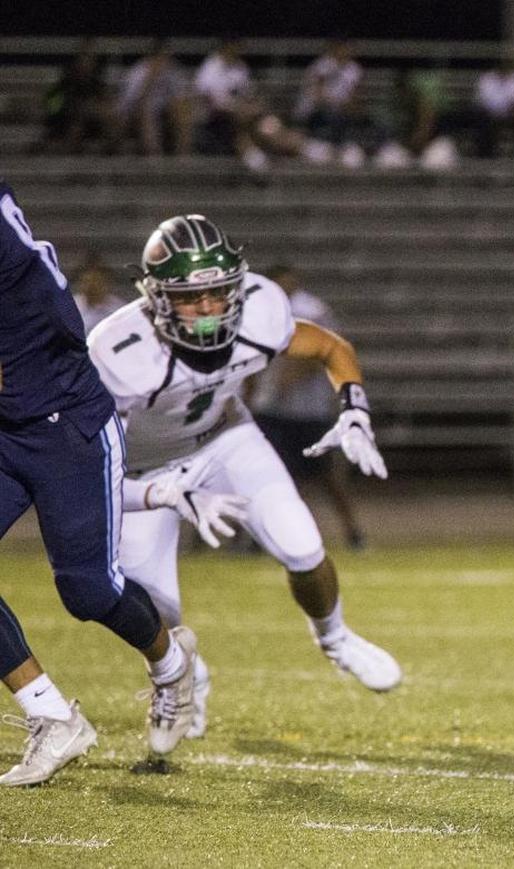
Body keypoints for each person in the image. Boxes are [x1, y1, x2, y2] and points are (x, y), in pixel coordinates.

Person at [86, 215, 401, 740]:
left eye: (218, 292)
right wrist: (161, 493)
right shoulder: (115, 356)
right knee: (152, 609)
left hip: (225, 440)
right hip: (140, 468)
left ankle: (336, 637)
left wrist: (354, 409)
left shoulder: (259, 309)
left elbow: (330, 348)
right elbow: (85, 470)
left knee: (302, 546)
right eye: (192, 298)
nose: (209, 309)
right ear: (156, 298)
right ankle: (183, 677)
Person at [0, 182, 214, 786]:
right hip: (9, 425)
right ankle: (50, 717)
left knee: (89, 592)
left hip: (68, 425)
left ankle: (171, 665)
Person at [249, 265, 366, 548]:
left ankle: (352, 531)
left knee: (325, 476)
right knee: (266, 473)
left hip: (307, 409)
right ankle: (257, 538)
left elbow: (325, 352)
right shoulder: (257, 309)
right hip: (271, 407)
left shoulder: (310, 309)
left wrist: (290, 378)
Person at [193, 40, 332, 173]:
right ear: (227, 46)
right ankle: (259, 163)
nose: (238, 50)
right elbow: (210, 102)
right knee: (241, 123)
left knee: (270, 125)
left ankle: (306, 148)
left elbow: (249, 94)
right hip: (216, 119)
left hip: (244, 117)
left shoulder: (240, 67)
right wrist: (238, 108)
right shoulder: (210, 67)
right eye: (235, 46)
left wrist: (253, 106)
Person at [292, 40, 379, 168]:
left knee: (364, 120)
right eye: (343, 47)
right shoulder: (322, 65)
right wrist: (340, 104)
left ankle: (358, 149)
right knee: (333, 117)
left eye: (349, 48)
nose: (347, 51)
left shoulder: (353, 68)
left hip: (340, 112)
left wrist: (350, 107)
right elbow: (318, 97)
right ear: (335, 48)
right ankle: (333, 148)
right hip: (313, 112)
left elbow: (355, 98)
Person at [116, 39, 194, 156]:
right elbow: (133, 103)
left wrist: (179, 105)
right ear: (153, 57)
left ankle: (183, 158)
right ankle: (154, 160)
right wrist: (150, 79)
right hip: (135, 111)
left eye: (167, 57)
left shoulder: (171, 71)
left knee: (182, 111)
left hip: (162, 110)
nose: (166, 61)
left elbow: (180, 97)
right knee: (146, 114)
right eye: (163, 57)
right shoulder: (138, 72)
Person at [40, 40, 119, 155]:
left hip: (92, 122)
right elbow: (53, 106)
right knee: (78, 122)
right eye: (84, 58)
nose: (87, 63)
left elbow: (105, 100)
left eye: (90, 59)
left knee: (110, 117)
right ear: (77, 61)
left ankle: (111, 155)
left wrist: (100, 107)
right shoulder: (66, 82)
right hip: (67, 121)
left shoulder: (96, 82)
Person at [472, 60, 514, 159]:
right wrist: (495, 111)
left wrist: (509, 110)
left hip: (510, 114)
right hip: (490, 113)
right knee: (483, 119)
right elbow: (483, 99)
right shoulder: (487, 79)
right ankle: (487, 154)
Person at [71, 255, 126, 334]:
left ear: (106, 282)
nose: (91, 286)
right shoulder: (69, 307)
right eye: (87, 281)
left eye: (96, 281)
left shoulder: (119, 309)